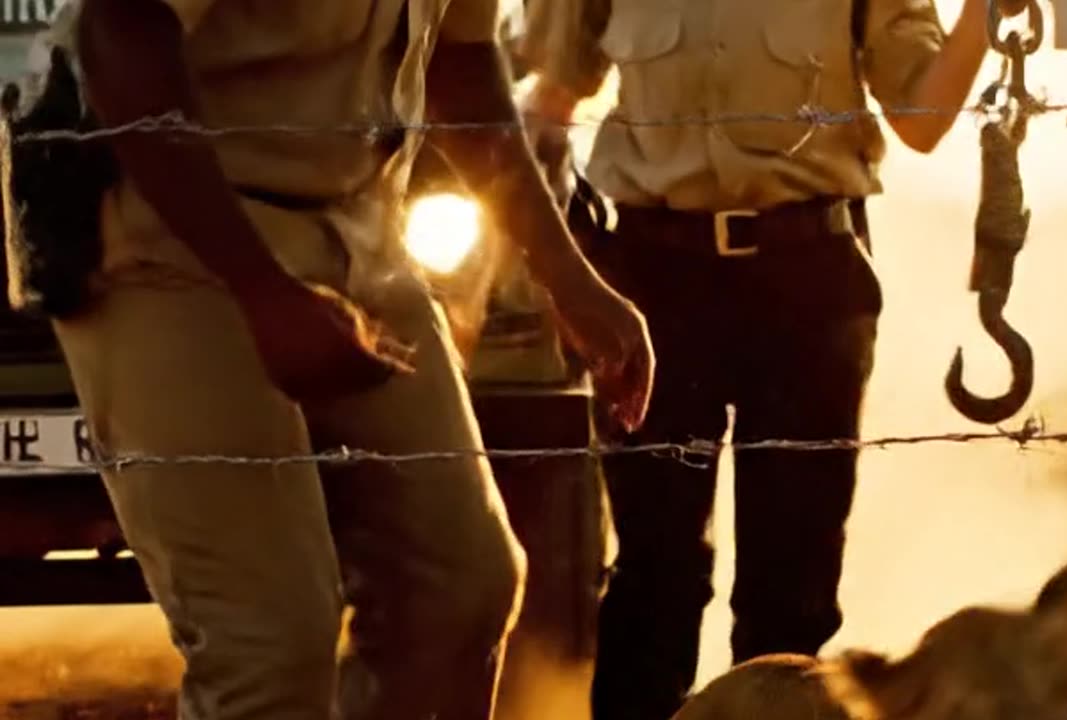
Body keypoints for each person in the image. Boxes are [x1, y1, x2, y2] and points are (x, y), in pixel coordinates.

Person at [22, 0, 654, 718]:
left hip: (361, 232)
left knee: (461, 589)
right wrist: (262, 291)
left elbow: (460, 59)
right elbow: (124, 30)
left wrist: (565, 274)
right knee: (271, 643)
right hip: (168, 238)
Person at [515, 0, 1016, 718]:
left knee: (793, 594)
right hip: (655, 282)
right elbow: (549, 102)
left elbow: (922, 119)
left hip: (807, 281)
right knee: (653, 578)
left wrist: (986, 12)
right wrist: (557, 269)